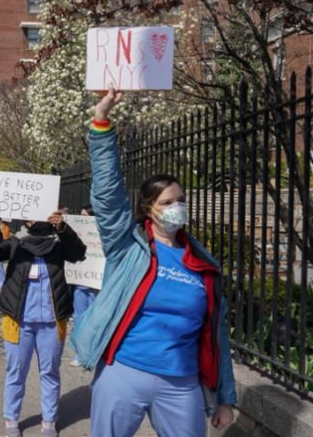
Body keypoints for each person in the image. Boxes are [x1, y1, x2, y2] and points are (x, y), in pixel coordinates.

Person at [70, 88, 236, 437]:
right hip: (124, 373)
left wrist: (225, 398)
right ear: (149, 209)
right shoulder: (127, 246)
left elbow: (216, 334)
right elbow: (107, 193)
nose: (178, 206)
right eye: (167, 201)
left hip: (182, 383)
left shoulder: (203, 263)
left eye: (181, 199)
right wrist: (101, 123)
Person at [0, 208, 87, 437]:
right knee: (15, 372)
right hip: (18, 321)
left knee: (50, 372)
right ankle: (11, 420)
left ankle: (49, 421)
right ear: (26, 218)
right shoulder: (16, 244)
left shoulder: (58, 245)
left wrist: (63, 228)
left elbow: (79, 253)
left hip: (51, 321)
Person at [59, 206, 98, 368]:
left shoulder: (102, 231)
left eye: (86, 215)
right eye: (81, 215)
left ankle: (94, 353)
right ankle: (79, 354)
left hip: (97, 284)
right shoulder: (77, 231)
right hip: (80, 283)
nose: (83, 218)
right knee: (79, 319)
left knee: (95, 320)